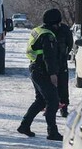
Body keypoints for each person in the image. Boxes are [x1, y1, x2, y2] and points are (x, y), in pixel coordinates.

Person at [18, 8, 64, 141]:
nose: (58, 26)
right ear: (54, 23)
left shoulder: (38, 30)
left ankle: (24, 125)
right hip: (42, 71)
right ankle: (52, 132)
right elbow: (49, 57)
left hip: (35, 68)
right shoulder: (48, 36)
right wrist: (53, 74)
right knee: (53, 101)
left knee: (41, 100)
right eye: (58, 23)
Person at [55, 21, 74, 118]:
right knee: (53, 86)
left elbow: (70, 44)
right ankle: (51, 107)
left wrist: (65, 55)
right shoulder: (46, 29)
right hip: (51, 61)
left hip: (61, 61)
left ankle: (63, 108)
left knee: (62, 86)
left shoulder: (64, 29)